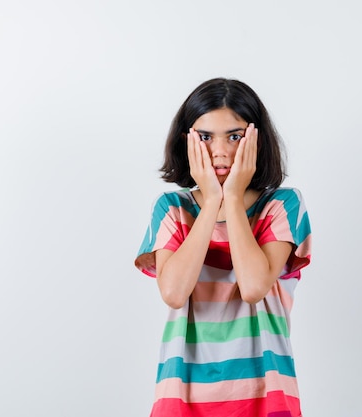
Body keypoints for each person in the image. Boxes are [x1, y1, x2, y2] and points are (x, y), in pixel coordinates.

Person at [135, 77, 312, 417]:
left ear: (256, 139)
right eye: (205, 137)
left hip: (265, 393)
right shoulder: (172, 208)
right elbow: (173, 292)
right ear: (186, 141)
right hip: (183, 394)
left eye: (235, 136)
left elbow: (253, 286)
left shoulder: (283, 205)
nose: (221, 150)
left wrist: (231, 196)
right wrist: (212, 198)